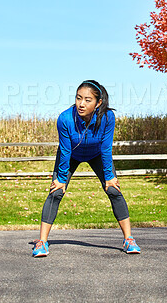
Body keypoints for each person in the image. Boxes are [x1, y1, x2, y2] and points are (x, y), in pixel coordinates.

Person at [33, 80, 141, 256]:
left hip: (97, 154)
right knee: (56, 192)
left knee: (113, 190)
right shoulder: (65, 118)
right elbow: (65, 151)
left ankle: (129, 240)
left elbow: (106, 148)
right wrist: (60, 179)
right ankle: (42, 243)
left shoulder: (107, 117)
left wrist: (109, 176)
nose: (81, 103)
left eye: (87, 100)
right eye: (78, 98)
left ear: (98, 103)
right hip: (71, 155)